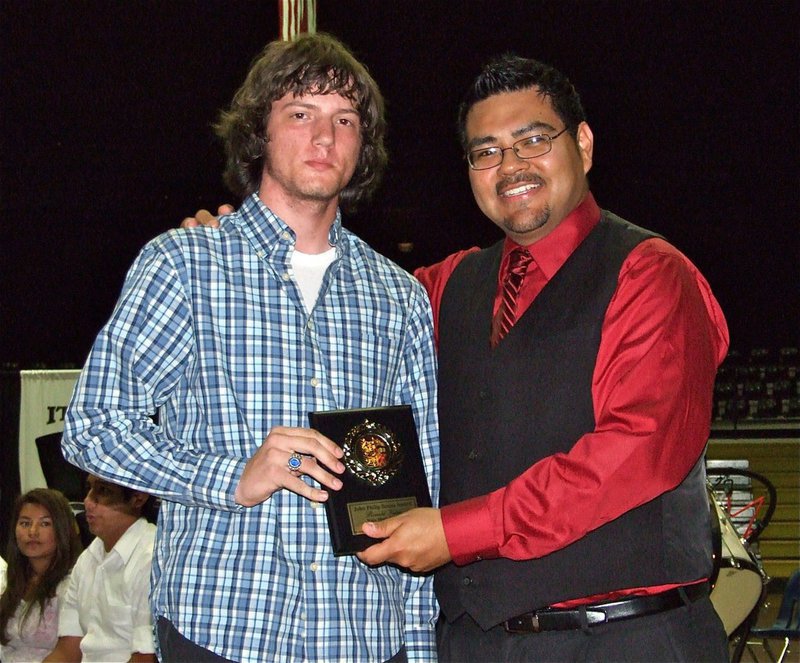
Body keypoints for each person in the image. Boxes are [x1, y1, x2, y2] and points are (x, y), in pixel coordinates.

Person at [62, 33, 439, 663]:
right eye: (301, 114)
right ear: (260, 131)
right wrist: (230, 476)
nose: (325, 137)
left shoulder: (398, 296)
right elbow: (93, 428)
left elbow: (422, 475)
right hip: (223, 627)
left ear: (362, 146)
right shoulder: (183, 265)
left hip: (363, 635)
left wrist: (419, 643)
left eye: (345, 121)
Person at [352, 54, 731, 661]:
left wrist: (457, 532)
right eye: (486, 151)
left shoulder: (651, 274)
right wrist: (248, 243)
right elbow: (340, 301)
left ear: (582, 144)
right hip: (473, 641)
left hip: (624, 640)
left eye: (532, 140)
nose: (510, 166)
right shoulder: (448, 285)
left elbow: (635, 451)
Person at [44, 475, 157, 662]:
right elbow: (67, 650)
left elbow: (146, 658)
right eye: (89, 488)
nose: (88, 501)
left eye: (103, 491)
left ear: (138, 497)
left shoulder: (151, 558)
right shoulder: (88, 558)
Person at [0, 489, 82, 662]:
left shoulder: (72, 583)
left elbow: (69, 654)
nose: (33, 532)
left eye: (45, 524)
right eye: (25, 523)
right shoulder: (11, 580)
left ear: (62, 529)